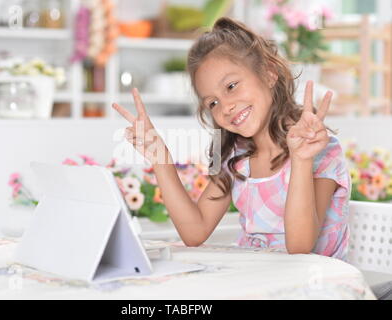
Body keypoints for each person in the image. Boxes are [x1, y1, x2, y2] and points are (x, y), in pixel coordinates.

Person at [112, 17, 351, 261]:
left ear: (269, 73)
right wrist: (160, 159)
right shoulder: (234, 156)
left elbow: (300, 247)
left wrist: (301, 160)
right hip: (258, 279)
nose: (225, 107)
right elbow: (195, 232)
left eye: (231, 86)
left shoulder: (321, 150)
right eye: (212, 103)